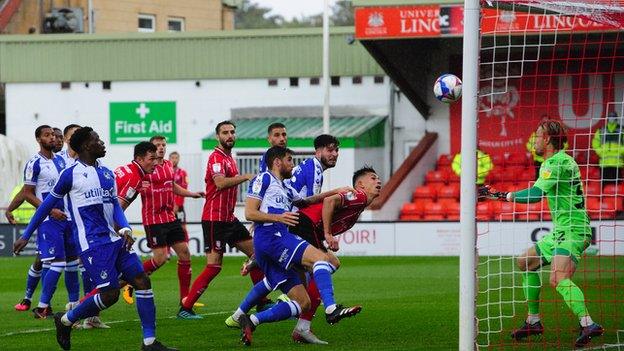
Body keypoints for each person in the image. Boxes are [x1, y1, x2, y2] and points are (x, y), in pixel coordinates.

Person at [13, 127, 177, 351]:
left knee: (142, 280)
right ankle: (65, 320)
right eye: (96, 140)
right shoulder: (70, 174)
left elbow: (115, 209)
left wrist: (126, 229)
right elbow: (46, 207)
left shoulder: (108, 173)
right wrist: (25, 234)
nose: (102, 142)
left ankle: (149, 342)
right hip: (92, 244)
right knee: (110, 295)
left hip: (115, 240)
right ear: (84, 147)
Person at [480, 120, 603, 348]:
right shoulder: (560, 161)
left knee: (558, 278)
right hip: (563, 230)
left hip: (574, 230)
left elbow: (536, 194)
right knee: (525, 261)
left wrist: (501, 195)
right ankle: (533, 321)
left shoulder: (554, 163)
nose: (534, 140)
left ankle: (589, 324)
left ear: (546, 139)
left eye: (537, 136)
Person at [228, 146, 362, 346]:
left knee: (303, 302)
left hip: (270, 243)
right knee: (322, 259)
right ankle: (331, 308)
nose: (293, 165)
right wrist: (278, 217)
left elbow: (306, 201)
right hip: (273, 236)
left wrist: (335, 191)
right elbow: (249, 212)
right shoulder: (263, 179)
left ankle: (251, 320)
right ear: (277, 162)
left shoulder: (285, 187)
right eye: (290, 160)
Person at [178, 121, 268, 319]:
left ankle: (261, 302)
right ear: (217, 137)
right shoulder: (216, 158)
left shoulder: (229, 158)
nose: (230, 135)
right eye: (225, 132)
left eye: (232, 132)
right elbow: (219, 183)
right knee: (214, 266)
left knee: (258, 255)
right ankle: (185, 308)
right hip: (214, 219)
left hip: (229, 218)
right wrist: (244, 177)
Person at [118, 136, 204, 308]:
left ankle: (185, 302)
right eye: (157, 145)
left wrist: (191, 193)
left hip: (170, 218)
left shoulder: (168, 165)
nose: (161, 148)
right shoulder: (146, 168)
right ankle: (129, 281)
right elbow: (133, 187)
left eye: (163, 145)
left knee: (185, 254)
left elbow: (171, 186)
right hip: (153, 219)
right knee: (160, 258)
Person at [16, 125, 80, 319]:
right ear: (38, 139)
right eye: (47, 135)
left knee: (72, 264)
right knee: (56, 263)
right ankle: (42, 306)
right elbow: (27, 193)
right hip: (48, 220)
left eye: (53, 134)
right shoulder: (34, 163)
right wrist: (51, 210)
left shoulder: (61, 160)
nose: (52, 138)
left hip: (67, 217)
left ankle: (74, 305)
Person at [591, 111, 624, 183]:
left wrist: (621, 151)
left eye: (613, 117)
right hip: (604, 163)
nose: (611, 119)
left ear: (616, 118)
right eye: (610, 117)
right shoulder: (601, 130)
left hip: (618, 163)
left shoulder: (622, 130)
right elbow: (595, 142)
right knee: (604, 185)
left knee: (617, 187)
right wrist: (600, 151)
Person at [169, 151, 189, 223]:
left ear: (179, 159)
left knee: (182, 227)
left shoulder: (183, 173)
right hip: (167, 206)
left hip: (179, 206)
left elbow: (184, 189)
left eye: (176, 158)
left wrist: (177, 204)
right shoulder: (166, 172)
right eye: (172, 158)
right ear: (169, 159)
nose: (174, 160)